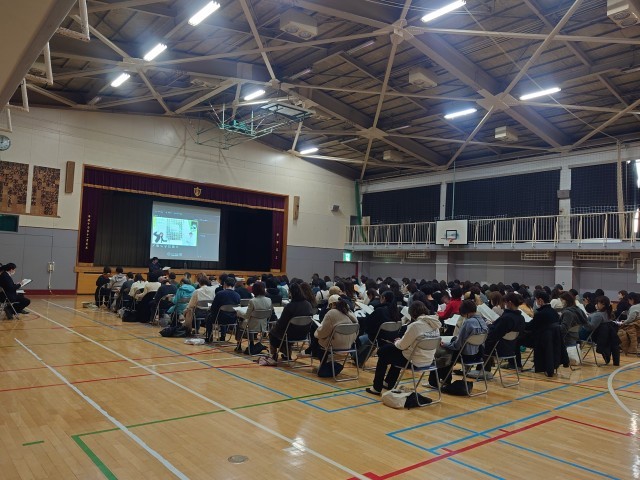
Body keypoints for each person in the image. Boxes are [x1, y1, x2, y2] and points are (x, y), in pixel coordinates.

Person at [366, 301, 441, 395]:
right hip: (428, 360)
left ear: (412, 313)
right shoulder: (435, 325)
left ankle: (376, 388)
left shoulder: (415, 325)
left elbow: (401, 346)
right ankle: (388, 382)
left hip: (414, 361)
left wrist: (397, 341)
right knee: (393, 352)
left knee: (383, 353)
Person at [440, 300, 488, 384]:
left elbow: (457, 345)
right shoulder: (483, 321)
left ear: (465, 312)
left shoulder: (468, 322)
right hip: (478, 355)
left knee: (445, 354)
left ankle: (443, 380)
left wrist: (446, 344)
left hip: (466, 356)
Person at [268, 283, 312, 360]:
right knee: (284, 333)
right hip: (304, 334)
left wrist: (276, 323)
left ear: (291, 293)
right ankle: (286, 353)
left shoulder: (289, 306)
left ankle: (274, 354)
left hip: (290, 334)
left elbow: (281, 324)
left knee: (272, 333)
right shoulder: (308, 305)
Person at [482, 292, 526, 370]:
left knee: (482, 343)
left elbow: (494, 333)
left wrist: (489, 325)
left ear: (509, 303)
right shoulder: (521, 318)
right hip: (512, 348)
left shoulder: (507, 318)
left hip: (500, 348)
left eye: (505, 302)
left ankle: (484, 370)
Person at [312, 294, 358, 364]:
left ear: (331, 304)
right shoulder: (350, 312)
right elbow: (357, 329)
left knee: (317, 340)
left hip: (335, 344)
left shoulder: (331, 313)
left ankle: (324, 365)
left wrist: (316, 333)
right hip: (349, 344)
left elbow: (323, 332)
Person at [579, 296, 620, 365]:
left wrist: (583, 321)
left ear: (603, 304)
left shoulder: (598, 315)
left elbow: (591, 327)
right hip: (602, 337)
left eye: (597, 303)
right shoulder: (608, 313)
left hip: (589, 335)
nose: (595, 305)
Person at [235, 281, 273, 353]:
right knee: (249, 322)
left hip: (252, 325)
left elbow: (246, 316)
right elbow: (270, 313)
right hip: (264, 325)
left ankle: (239, 345)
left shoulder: (252, 301)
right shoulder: (269, 300)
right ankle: (251, 343)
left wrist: (239, 312)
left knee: (240, 324)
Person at [206, 276, 241, 343]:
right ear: (234, 285)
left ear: (224, 284)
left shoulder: (220, 294)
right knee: (223, 314)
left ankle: (209, 336)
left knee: (209, 316)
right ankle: (223, 336)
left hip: (220, 318)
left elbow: (213, 307)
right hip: (233, 319)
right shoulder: (237, 295)